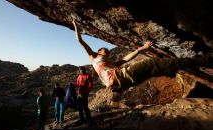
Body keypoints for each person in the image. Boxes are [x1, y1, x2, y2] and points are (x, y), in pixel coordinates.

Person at [72, 19, 213, 92]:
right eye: (104, 50)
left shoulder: (112, 64)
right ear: (99, 51)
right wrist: (75, 25)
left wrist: (141, 49)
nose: (107, 51)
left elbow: (126, 58)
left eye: (107, 51)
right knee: (153, 63)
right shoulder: (94, 57)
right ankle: (206, 60)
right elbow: (80, 41)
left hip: (120, 83)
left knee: (152, 70)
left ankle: (170, 69)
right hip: (118, 79)